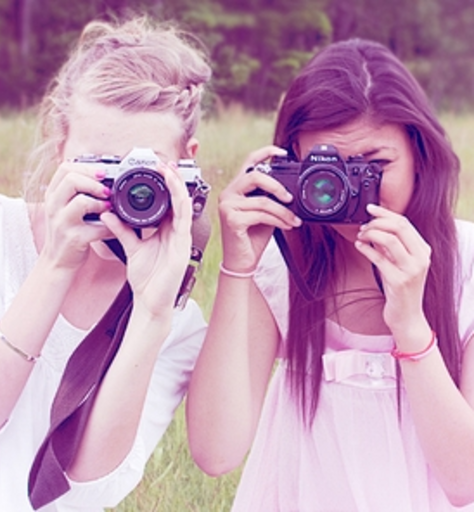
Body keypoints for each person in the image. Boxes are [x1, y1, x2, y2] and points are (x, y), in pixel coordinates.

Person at [186, 38, 474, 511]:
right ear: (292, 164)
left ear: (420, 156)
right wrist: (237, 268)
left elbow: (465, 482)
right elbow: (217, 453)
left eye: (372, 166)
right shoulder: (281, 264)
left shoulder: (466, 265)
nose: (340, 190)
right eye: (325, 169)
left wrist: (410, 324)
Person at [0, 14, 211, 512]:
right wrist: (55, 264)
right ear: (61, 152)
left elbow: (87, 490)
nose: (123, 190)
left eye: (142, 168)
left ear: (187, 162)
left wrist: (151, 312)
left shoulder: (175, 323)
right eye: (100, 164)